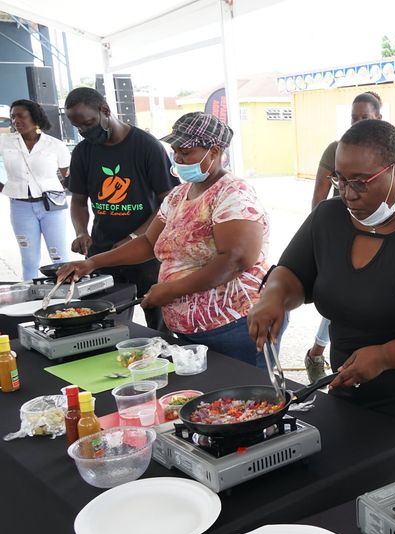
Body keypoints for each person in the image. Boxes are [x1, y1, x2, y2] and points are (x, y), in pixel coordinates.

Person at [249, 119, 395, 448]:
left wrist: (386, 356)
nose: (347, 194)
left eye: (360, 182)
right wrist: (272, 298)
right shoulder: (328, 219)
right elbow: (293, 273)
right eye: (340, 179)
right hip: (350, 393)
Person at [59, 112, 272, 368]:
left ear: (214, 151)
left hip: (232, 325)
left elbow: (235, 259)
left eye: (186, 151)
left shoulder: (233, 193)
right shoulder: (179, 195)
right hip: (189, 328)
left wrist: (170, 290)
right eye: (175, 151)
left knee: (243, 398)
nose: (178, 158)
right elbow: (149, 243)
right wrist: (92, 263)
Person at [65, 87, 178, 331]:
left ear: (105, 110)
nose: (84, 132)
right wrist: (81, 232)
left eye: (89, 123)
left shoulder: (147, 147)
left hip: (148, 253)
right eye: (79, 128)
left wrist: (135, 236)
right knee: (102, 322)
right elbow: (78, 200)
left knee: (160, 325)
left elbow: (169, 202)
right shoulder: (83, 152)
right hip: (103, 253)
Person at [305, 91, 383, 382]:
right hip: (343, 234)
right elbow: (318, 199)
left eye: (365, 118)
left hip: (377, 234)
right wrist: (322, 236)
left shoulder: (388, 150)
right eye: (354, 118)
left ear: (379, 118)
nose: (358, 123)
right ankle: (317, 352)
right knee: (339, 296)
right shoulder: (335, 149)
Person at [0, 99, 72, 280]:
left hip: (52, 207)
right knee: (29, 259)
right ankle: (29, 296)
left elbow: (68, 174)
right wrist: (4, 188)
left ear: (35, 117)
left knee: (59, 256)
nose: (16, 121)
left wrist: (55, 189)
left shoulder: (54, 144)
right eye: (13, 117)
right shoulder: (5, 141)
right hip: (20, 207)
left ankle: (65, 295)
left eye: (21, 116)